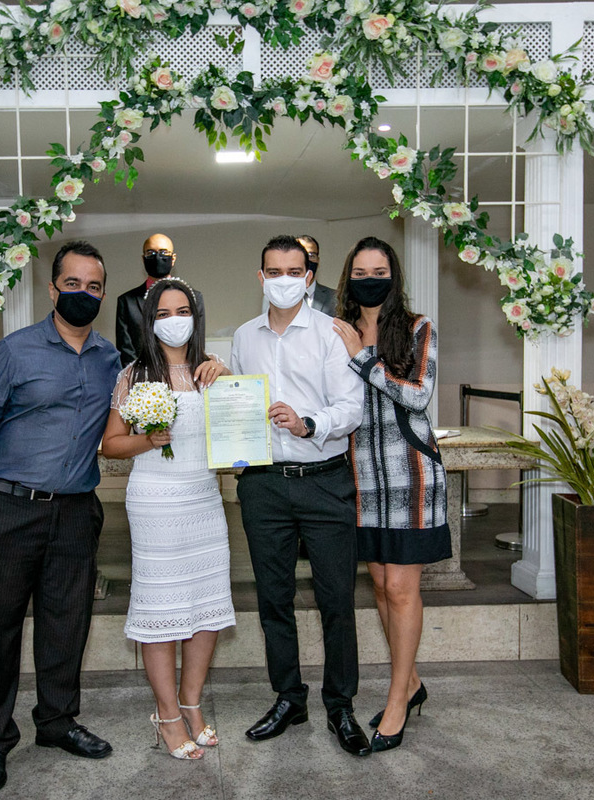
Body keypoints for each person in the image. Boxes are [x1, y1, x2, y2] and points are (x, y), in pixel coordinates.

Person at [0, 241, 121, 793]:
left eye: (93, 286)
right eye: (72, 284)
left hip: (76, 512)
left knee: (66, 625)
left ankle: (56, 722)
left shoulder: (110, 360)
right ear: (52, 290)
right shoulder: (15, 351)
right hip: (8, 509)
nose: (82, 294)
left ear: (103, 293)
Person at [229, 234, 370, 757]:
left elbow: (351, 408)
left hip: (325, 480)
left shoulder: (332, 333)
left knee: (336, 599)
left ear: (309, 278)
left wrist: (308, 422)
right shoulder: (244, 337)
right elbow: (238, 404)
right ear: (260, 276)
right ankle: (289, 697)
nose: (284, 280)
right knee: (273, 598)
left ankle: (340, 704)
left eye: (294, 272)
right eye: (274, 272)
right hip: (263, 484)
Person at [101, 277, 235, 760]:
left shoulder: (212, 370)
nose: (173, 321)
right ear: (148, 321)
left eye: (182, 312)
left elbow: (237, 432)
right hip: (155, 501)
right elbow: (110, 444)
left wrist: (229, 383)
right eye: (162, 314)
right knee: (162, 610)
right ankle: (168, 715)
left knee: (207, 606)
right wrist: (148, 439)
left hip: (204, 499)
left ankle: (191, 703)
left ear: (195, 318)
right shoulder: (134, 374)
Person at [331, 236, 450, 754]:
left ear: (393, 276)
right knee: (380, 587)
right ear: (348, 278)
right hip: (360, 478)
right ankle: (413, 680)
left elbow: (418, 395)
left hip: (410, 474)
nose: (369, 280)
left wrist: (362, 359)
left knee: (401, 589)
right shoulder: (338, 330)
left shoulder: (418, 327)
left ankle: (398, 698)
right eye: (360, 272)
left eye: (378, 272)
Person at [115, 233, 206, 367]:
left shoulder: (194, 298)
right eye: (150, 252)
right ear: (143, 259)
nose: (157, 257)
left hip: (185, 372)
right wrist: (140, 376)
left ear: (173, 258)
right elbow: (126, 350)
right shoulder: (127, 301)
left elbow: (197, 343)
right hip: (140, 374)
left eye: (163, 252)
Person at [296, 234, 338, 314]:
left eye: (311, 256)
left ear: (318, 261)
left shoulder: (335, 298)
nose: (306, 260)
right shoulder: (279, 296)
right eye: (301, 254)